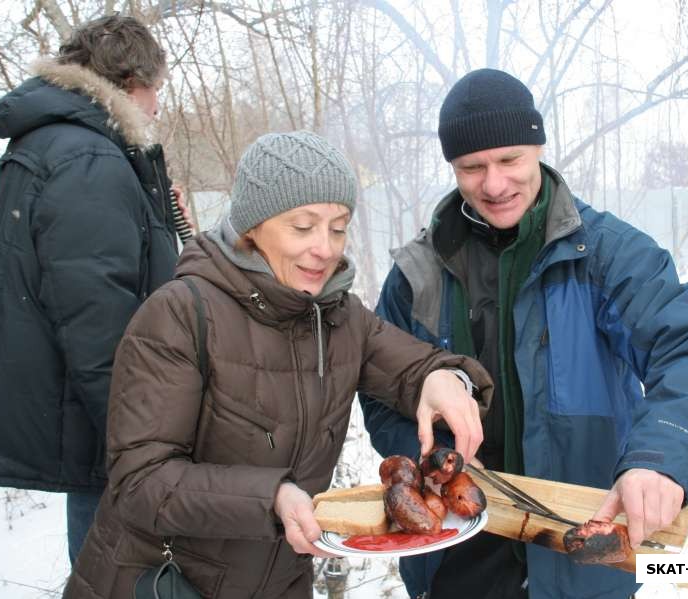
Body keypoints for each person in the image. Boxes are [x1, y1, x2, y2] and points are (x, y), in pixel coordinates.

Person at [359, 68, 688, 599]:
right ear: (453, 167)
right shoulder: (418, 273)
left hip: (581, 557)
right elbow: (380, 389)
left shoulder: (607, 255)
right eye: (472, 167)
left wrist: (661, 460)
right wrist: (431, 472)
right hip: (456, 558)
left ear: (537, 147)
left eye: (510, 159)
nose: (494, 184)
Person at [62, 130, 494, 599]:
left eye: (338, 226)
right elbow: (141, 481)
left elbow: (416, 367)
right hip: (164, 583)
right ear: (253, 226)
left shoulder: (339, 316)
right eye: (303, 227)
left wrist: (445, 379)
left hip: (279, 582)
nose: (326, 249)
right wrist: (272, 497)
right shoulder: (180, 314)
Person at [0, 15, 183, 564]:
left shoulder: (61, 143)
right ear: (129, 82)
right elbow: (99, 321)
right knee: (116, 572)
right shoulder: (86, 158)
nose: (157, 106)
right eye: (155, 90)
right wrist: (139, 445)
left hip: (88, 417)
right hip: (107, 427)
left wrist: (158, 211)